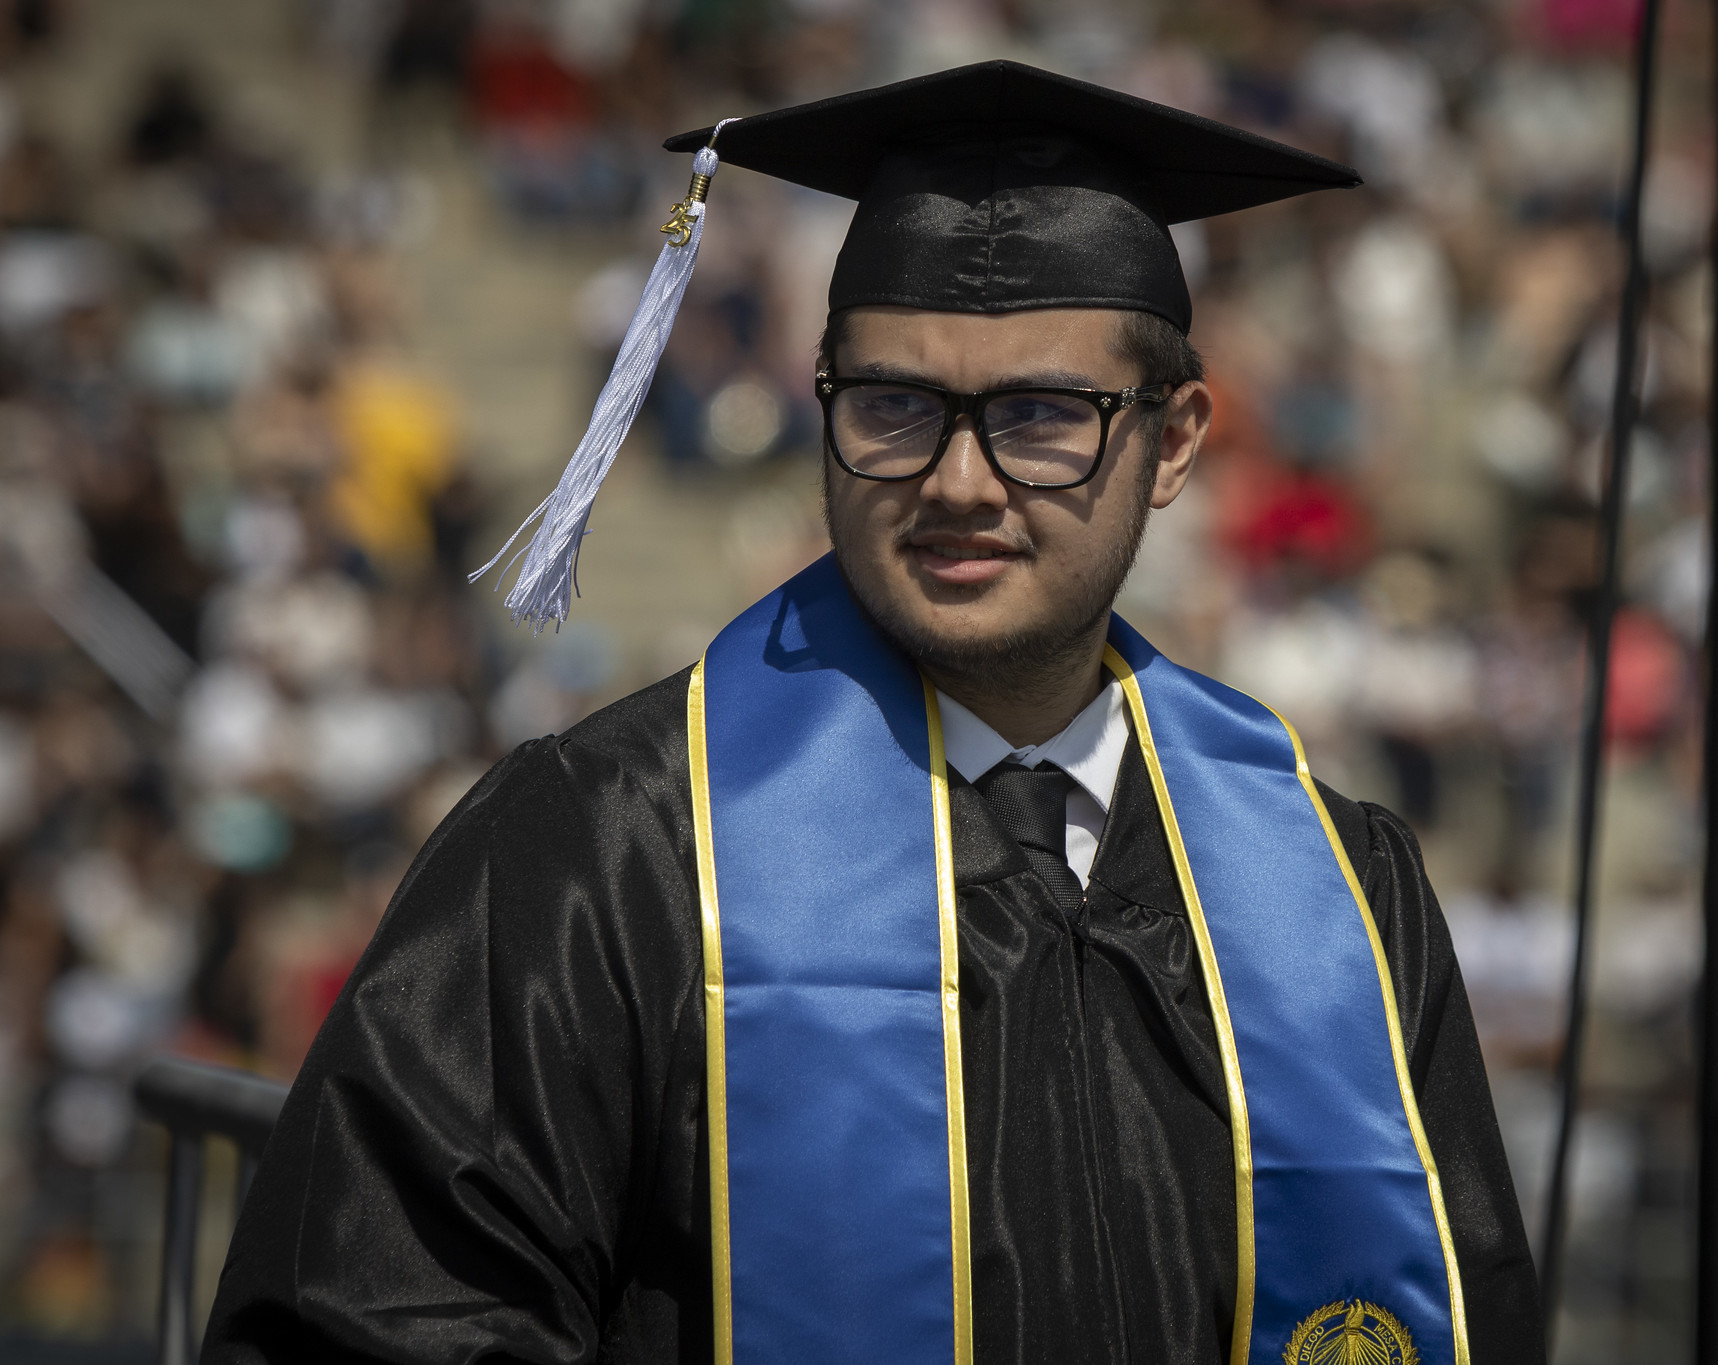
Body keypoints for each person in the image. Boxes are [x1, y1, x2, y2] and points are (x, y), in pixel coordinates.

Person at [203, 62, 1542, 1365]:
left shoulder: (1336, 888)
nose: (960, 480)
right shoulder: (604, 855)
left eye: (1042, 414)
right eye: (896, 405)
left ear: (1177, 439)